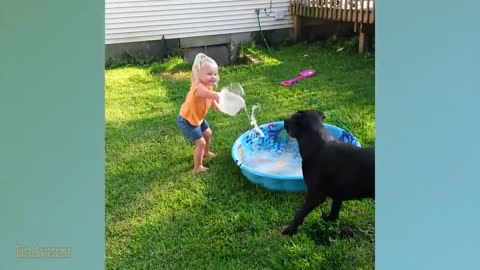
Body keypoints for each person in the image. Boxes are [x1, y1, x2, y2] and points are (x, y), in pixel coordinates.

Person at [177, 53, 221, 172]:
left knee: (208, 133)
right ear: (198, 74)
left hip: (197, 118)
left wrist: (215, 104)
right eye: (209, 74)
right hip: (187, 120)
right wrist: (217, 96)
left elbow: (210, 97)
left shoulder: (208, 86)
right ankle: (197, 167)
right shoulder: (198, 87)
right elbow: (208, 94)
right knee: (200, 143)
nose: (213, 77)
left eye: (215, 74)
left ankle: (206, 152)